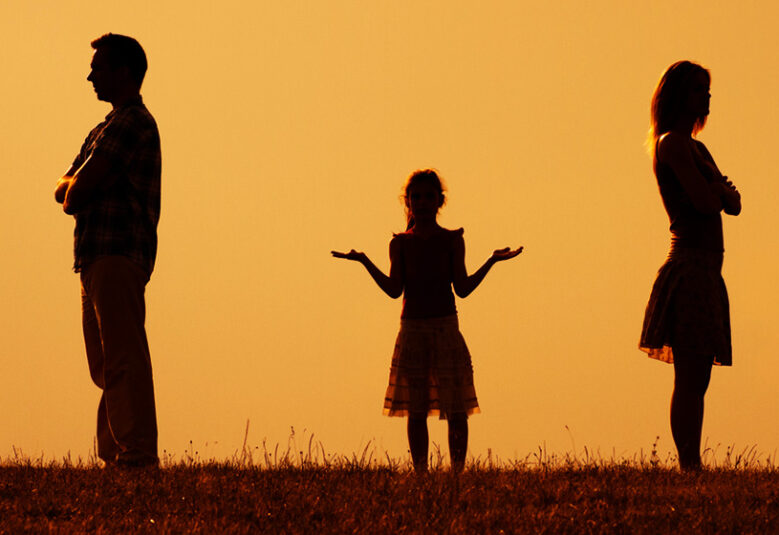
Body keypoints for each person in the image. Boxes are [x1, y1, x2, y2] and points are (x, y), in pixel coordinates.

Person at [332, 169, 522, 472]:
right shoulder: (400, 244)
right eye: (416, 197)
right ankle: (421, 476)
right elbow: (395, 290)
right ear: (408, 202)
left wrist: (492, 261)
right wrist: (365, 261)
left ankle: (457, 475)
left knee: (456, 407)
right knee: (416, 409)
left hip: (446, 328)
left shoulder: (451, 240)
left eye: (428, 197)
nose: (421, 202)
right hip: (412, 331)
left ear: (439, 202)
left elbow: (462, 288)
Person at [54, 34, 161, 468]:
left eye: (99, 68)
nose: (90, 76)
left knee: (121, 356)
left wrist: (75, 189)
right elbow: (66, 186)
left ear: (123, 72)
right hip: (97, 254)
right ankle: (117, 452)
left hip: (117, 252)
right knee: (105, 361)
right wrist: (75, 188)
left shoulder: (130, 123)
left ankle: (135, 453)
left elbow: (77, 188)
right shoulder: (105, 126)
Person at [639, 61, 741, 471]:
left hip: (708, 270)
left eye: (707, 89)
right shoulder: (672, 144)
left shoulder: (698, 148)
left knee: (700, 376)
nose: (707, 97)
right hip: (689, 267)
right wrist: (717, 189)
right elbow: (706, 200)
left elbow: (732, 203)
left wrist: (717, 190)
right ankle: (688, 464)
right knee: (690, 375)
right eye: (699, 89)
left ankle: (691, 462)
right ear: (680, 94)